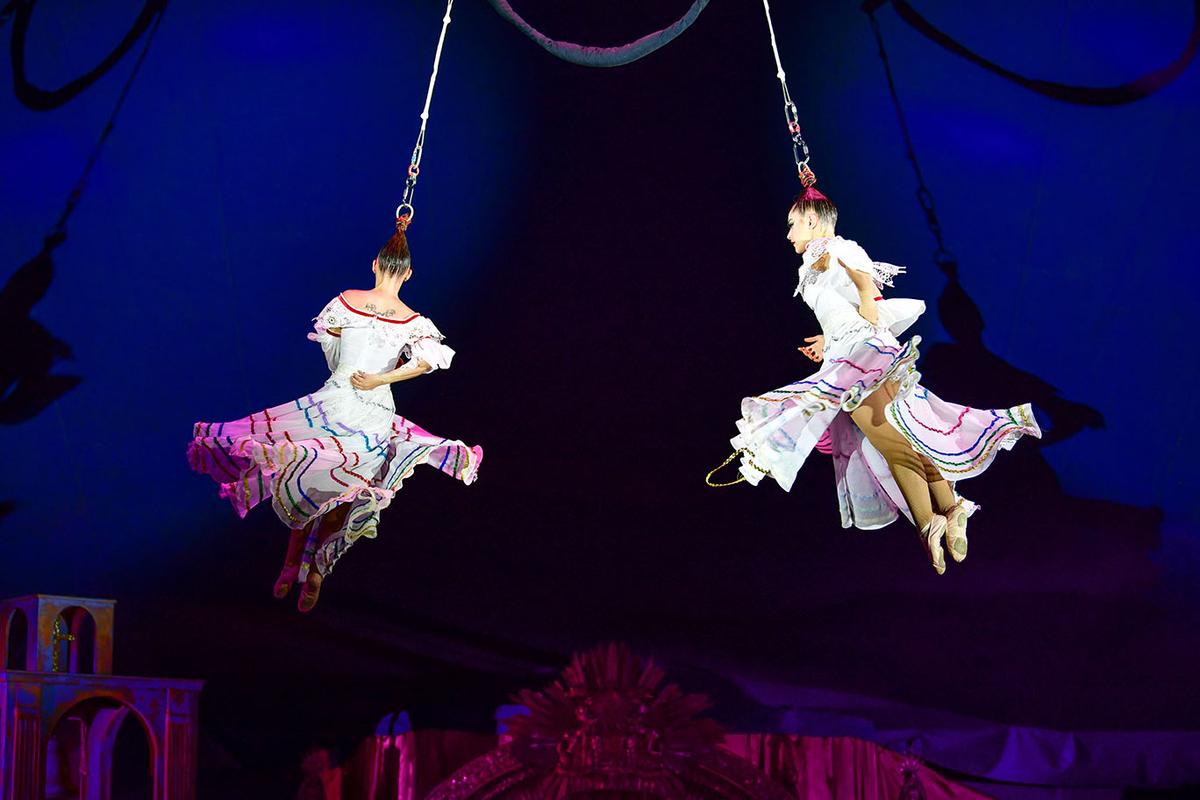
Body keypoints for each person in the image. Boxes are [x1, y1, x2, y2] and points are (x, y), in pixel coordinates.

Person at [716, 187, 1040, 574]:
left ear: (811, 220)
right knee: (902, 438)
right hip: (854, 348)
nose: (788, 235)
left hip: (860, 355)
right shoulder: (819, 259)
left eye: (792, 225)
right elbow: (845, 298)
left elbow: (858, 269)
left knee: (890, 442)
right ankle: (949, 510)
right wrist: (829, 337)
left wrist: (868, 297)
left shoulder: (830, 247)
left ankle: (930, 523)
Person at [188, 225, 482, 609]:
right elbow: (427, 362)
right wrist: (382, 378)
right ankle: (310, 569)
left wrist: (359, 375)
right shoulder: (414, 321)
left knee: (312, 472)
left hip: (337, 402)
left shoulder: (346, 301)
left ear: (375, 264)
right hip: (373, 410)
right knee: (340, 487)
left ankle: (301, 565)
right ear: (408, 274)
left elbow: (334, 350)